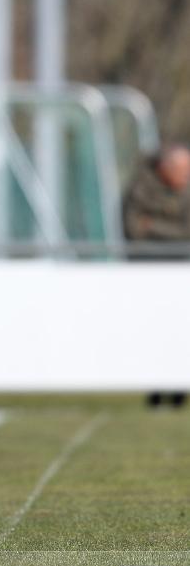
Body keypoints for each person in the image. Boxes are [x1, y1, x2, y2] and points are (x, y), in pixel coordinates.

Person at [123, 144, 190, 408]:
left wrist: (154, 226)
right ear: (164, 169)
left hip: (182, 273)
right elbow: (134, 229)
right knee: (153, 334)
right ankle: (156, 389)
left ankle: (179, 389)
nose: (185, 176)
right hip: (148, 274)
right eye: (181, 170)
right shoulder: (141, 189)